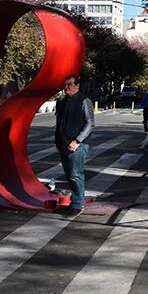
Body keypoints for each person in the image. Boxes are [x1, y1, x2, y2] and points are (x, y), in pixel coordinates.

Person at [54, 75, 94, 216]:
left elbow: (90, 123)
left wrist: (78, 141)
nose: (66, 88)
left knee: (76, 175)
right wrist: (57, 140)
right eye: (64, 85)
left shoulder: (85, 101)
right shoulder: (63, 102)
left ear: (77, 85)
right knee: (69, 175)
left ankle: (78, 204)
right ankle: (74, 202)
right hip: (63, 143)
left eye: (69, 85)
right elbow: (59, 123)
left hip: (77, 144)